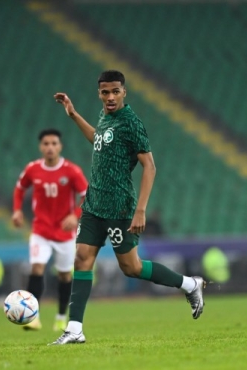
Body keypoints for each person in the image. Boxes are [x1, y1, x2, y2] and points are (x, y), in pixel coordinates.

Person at [50, 70, 205, 345]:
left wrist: (141, 210)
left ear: (124, 92)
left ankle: (190, 284)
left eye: (115, 92)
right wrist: (73, 115)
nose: (109, 97)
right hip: (94, 204)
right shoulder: (105, 117)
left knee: (131, 267)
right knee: (82, 258)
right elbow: (99, 140)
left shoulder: (131, 123)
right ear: (99, 93)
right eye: (104, 92)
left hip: (120, 208)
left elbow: (150, 166)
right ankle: (74, 329)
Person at [12, 128, 89, 331]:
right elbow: (20, 188)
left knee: (64, 276)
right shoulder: (33, 169)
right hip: (41, 230)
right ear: (41, 146)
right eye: (46, 143)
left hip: (65, 234)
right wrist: (17, 211)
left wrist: (75, 215)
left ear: (60, 146)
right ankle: (32, 317)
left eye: (54, 143)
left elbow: (88, 195)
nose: (50, 147)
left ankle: (61, 316)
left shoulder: (72, 171)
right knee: (37, 268)